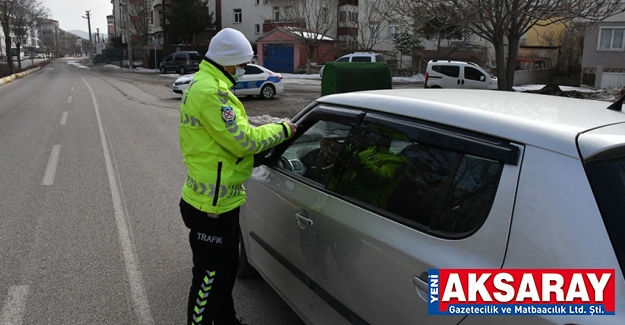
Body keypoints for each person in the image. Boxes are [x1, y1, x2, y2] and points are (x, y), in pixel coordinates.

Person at [178, 28, 297, 325]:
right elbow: (243, 140)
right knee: (209, 278)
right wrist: (283, 130)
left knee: (225, 271)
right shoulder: (211, 92)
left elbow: (225, 141)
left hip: (219, 202)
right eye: (242, 64)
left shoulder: (207, 84)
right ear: (228, 63)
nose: (243, 69)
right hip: (210, 208)